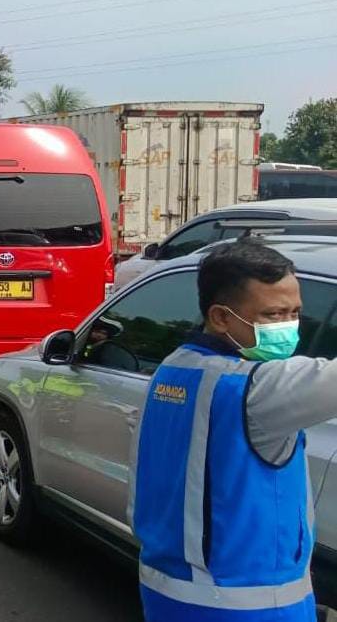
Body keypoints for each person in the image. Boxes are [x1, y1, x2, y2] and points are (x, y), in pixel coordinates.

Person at [130, 238, 337, 622]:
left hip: (166, 593)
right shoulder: (254, 389)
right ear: (221, 317)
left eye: (296, 313)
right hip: (252, 606)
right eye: (274, 315)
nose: (290, 327)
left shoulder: (174, 368)